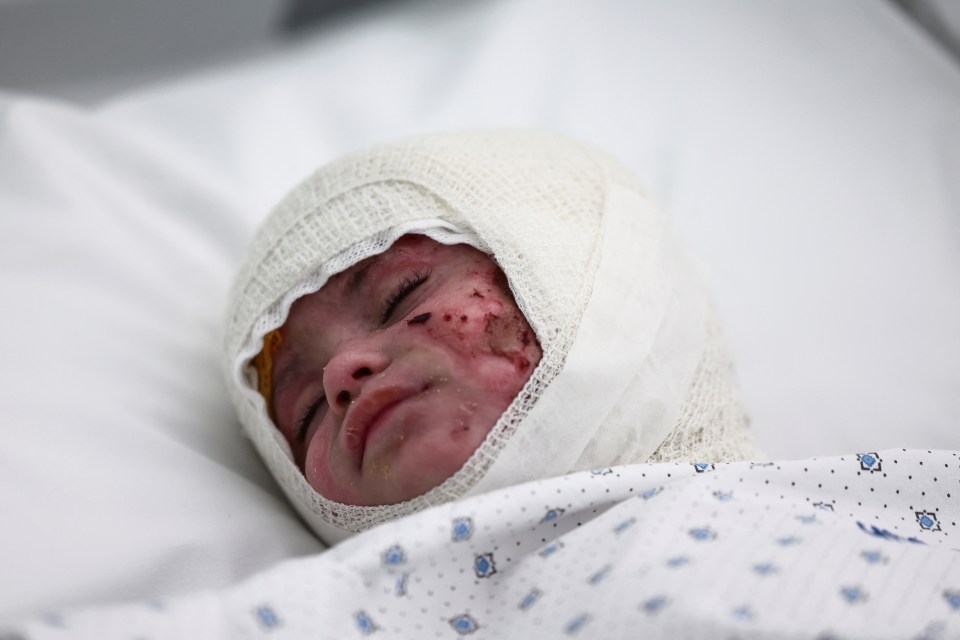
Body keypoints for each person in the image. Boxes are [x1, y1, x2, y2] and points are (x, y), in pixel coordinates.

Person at [223, 130, 763, 544]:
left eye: (402, 292)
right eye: (307, 412)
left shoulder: (821, 520)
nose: (342, 371)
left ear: (582, 271)